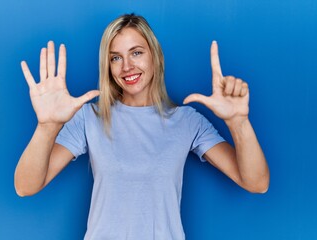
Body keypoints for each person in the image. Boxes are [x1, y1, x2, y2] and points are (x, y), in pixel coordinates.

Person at [14, 13, 269, 240]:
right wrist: (47, 126)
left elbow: (256, 182)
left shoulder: (187, 121)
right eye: (116, 57)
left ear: (155, 57)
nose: (127, 66)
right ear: (109, 66)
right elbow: (25, 187)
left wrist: (239, 123)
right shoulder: (89, 117)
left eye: (136, 52)